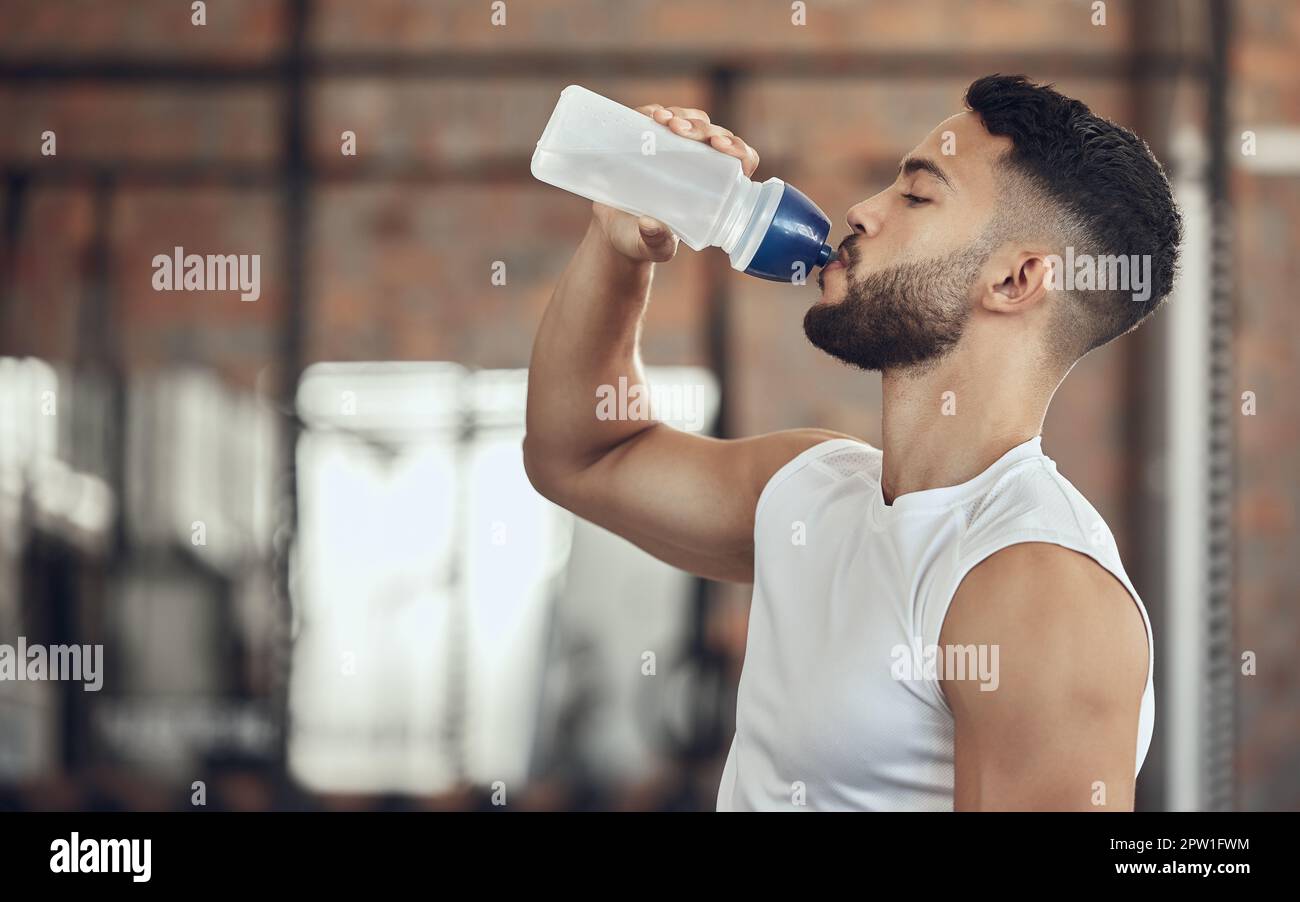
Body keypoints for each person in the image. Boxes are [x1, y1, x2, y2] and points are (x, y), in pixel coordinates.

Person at [522, 74, 1182, 811]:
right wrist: (622, 246)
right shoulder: (814, 492)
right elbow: (580, 456)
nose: (861, 212)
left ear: (1016, 278)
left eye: (916, 196)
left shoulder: (1042, 593)